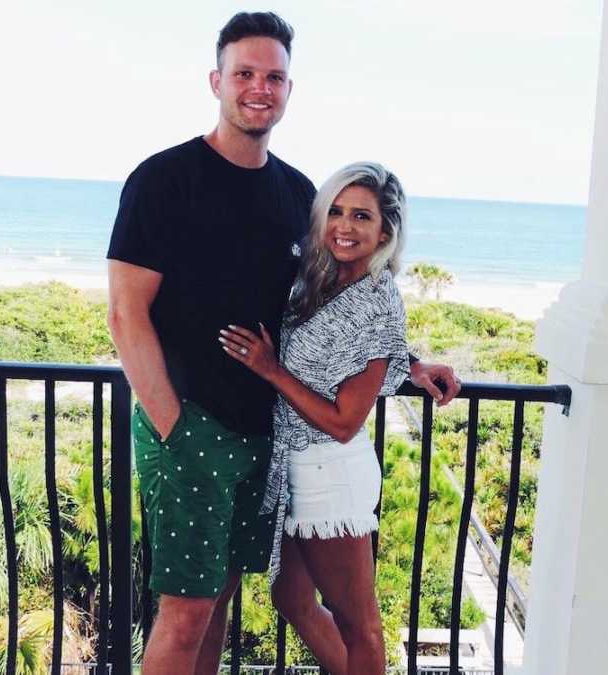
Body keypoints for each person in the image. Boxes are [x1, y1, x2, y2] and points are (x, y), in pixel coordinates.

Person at [106, 12, 461, 675]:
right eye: (244, 73)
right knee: (183, 616)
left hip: (263, 440)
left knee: (217, 607)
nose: (259, 88)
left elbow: (328, 308)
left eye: (273, 76)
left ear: (289, 90)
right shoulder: (162, 180)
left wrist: (407, 363)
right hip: (188, 429)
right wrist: (174, 428)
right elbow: (127, 316)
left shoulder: (300, 194)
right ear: (217, 81)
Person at [221, 161, 410, 674]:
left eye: (362, 217)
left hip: (331, 471)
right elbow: (354, 356)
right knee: (290, 597)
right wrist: (414, 362)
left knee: (360, 625)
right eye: (337, 212)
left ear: (385, 232)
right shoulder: (322, 281)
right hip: (300, 466)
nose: (345, 228)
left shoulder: (377, 298)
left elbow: (346, 419)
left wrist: (269, 369)